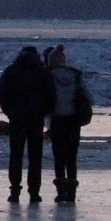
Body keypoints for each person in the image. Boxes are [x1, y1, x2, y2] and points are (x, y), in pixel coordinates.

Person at [0, 45, 52, 202]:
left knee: (16, 155)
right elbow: (51, 95)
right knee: (35, 157)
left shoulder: (11, 71)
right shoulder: (42, 72)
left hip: (17, 118)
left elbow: (1, 93)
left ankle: (14, 190)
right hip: (36, 118)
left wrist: (10, 112)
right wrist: (43, 112)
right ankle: (34, 192)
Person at [43, 45, 93, 203]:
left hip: (57, 121)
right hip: (74, 121)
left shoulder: (48, 76)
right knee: (71, 157)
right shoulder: (75, 75)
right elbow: (89, 97)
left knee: (58, 156)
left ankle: (60, 192)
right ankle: (72, 193)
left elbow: (45, 99)